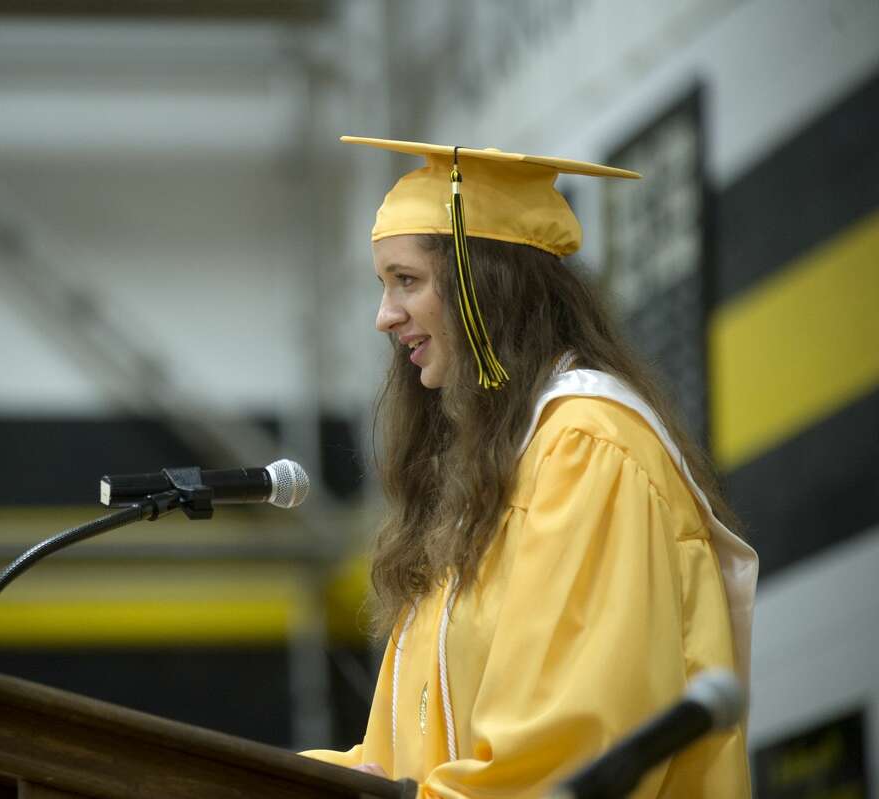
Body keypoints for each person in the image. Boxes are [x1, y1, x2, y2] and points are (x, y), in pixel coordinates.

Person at [302, 137, 757, 797]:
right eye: (384, 284)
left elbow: (566, 747)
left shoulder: (586, 451)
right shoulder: (483, 487)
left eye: (407, 280)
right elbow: (401, 758)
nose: (384, 315)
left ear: (485, 288)